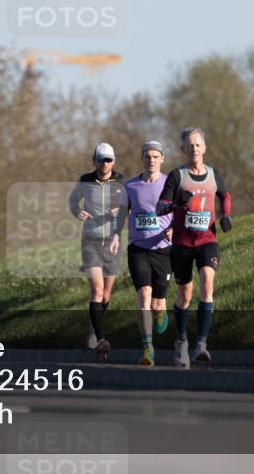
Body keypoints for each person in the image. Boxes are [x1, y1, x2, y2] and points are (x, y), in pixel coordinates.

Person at [157, 127, 232, 368]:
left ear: (204, 148)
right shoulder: (176, 176)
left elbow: (225, 195)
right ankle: (181, 342)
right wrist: (177, 203)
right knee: (184, 296)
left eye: (198, 144)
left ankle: (201, 344)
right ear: (182, 149)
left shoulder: (213, 174)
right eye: (189, 145)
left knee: (207, 284)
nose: (194, 148)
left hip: (207, 241)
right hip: (181, 244)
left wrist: (226, 215)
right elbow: (161, 207)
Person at [118, 141, 174, 367]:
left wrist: (174, 229)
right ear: (142, 159)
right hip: (138, 248)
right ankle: (148, 348)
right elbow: (122, 214)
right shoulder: (130, 186)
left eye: (155, 156)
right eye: (147, 156)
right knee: (143, 297)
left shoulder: (171, 184)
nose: (151, 160)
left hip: (163, 248)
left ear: (162, 159)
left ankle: (161, 312)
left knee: (157, 303)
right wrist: (114, 236)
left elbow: (181, 211)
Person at [68, 143, 125, 360]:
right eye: (101, 159)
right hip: (90, 241)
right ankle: (101, 338)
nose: (105, 164)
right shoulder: (85, 180)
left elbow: (129, 208)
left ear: (114, 161)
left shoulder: (121, 182)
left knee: (107, 293)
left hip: (112, 241)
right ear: (94, 161)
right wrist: (77, 211)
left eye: (109, 159)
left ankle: (94, 326)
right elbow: (72, 200)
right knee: (97, 291)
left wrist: (120, 212)